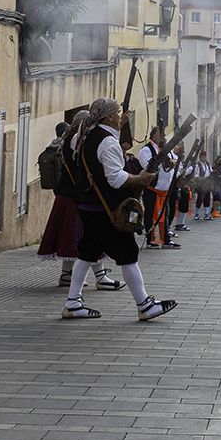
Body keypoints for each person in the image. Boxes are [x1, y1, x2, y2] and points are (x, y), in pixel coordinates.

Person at [61, 97, 176, 321]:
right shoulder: (107, 142)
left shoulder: (83, 137)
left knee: (87, 252)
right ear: (109, 116)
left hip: (89, 205)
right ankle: (144, 304)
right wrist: (140, 178)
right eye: (117, 112)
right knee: (128, 254)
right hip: (106, 208)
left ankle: (73, 303)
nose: (121, 115)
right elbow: (115, 179)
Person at [38, 113, 123, 291]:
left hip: (68, 194)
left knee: (74, 237)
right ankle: (99, 277)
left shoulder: (69, 139)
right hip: (76, 196)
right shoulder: (77, 140)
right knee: (87, 236)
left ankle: (68, 275)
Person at [138, 126, 179, 250]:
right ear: (154, 136)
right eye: (160, 135)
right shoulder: (146, 150)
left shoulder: (166, 150)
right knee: (150, 214)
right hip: (152, 190)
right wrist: (163, 160)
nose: (163, 137)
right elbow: (148, 166)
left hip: (164, 190)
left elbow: (176, 161)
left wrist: (171, 161)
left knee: (164, 215)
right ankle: (151, 240)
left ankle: (165, 239)